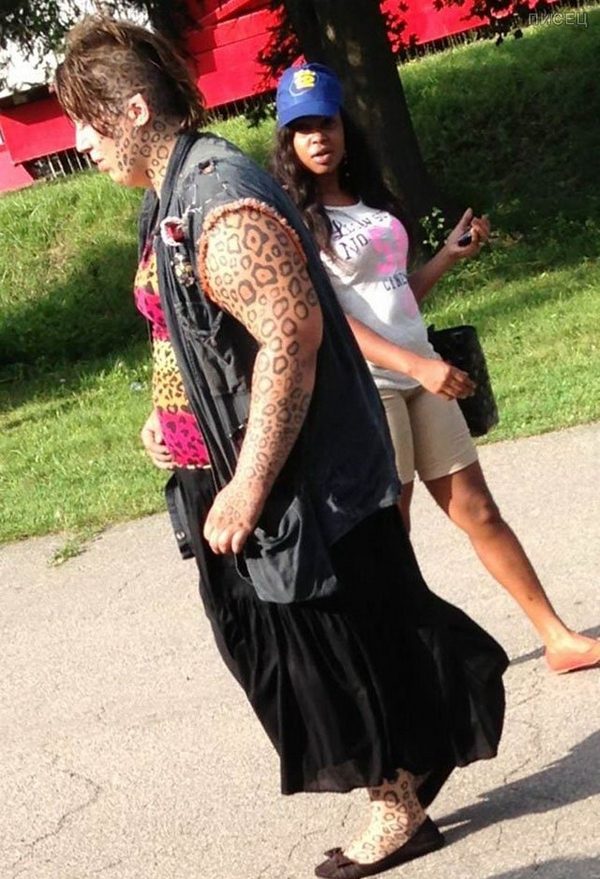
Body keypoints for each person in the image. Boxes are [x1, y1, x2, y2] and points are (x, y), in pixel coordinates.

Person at [54, 19, 509, 878]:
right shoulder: (166, 194)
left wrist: (250, 483)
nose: (80, 142)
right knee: (300, 649)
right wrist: (167, 413)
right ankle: (426, 737)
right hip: (226, 470)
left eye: (90, 120)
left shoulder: (219, 198)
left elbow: (292, 338)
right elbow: (185, 326)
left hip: (288, 482)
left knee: (327, 656)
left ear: (135, 110)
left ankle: (398, 803)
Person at [271, 62, 600, 678]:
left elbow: (395, 298)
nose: (319, 137)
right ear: (288, 140)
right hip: (370, 389)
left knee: (480, 512)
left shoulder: (369, 204)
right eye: (303, 128)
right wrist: (416, 367)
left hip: (422, 374)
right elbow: (329, 324)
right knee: (391, 537)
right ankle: (397, 669)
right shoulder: (292, 221)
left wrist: (446, 257)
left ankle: (557, 638)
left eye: (328, 123)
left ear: (345, 128)